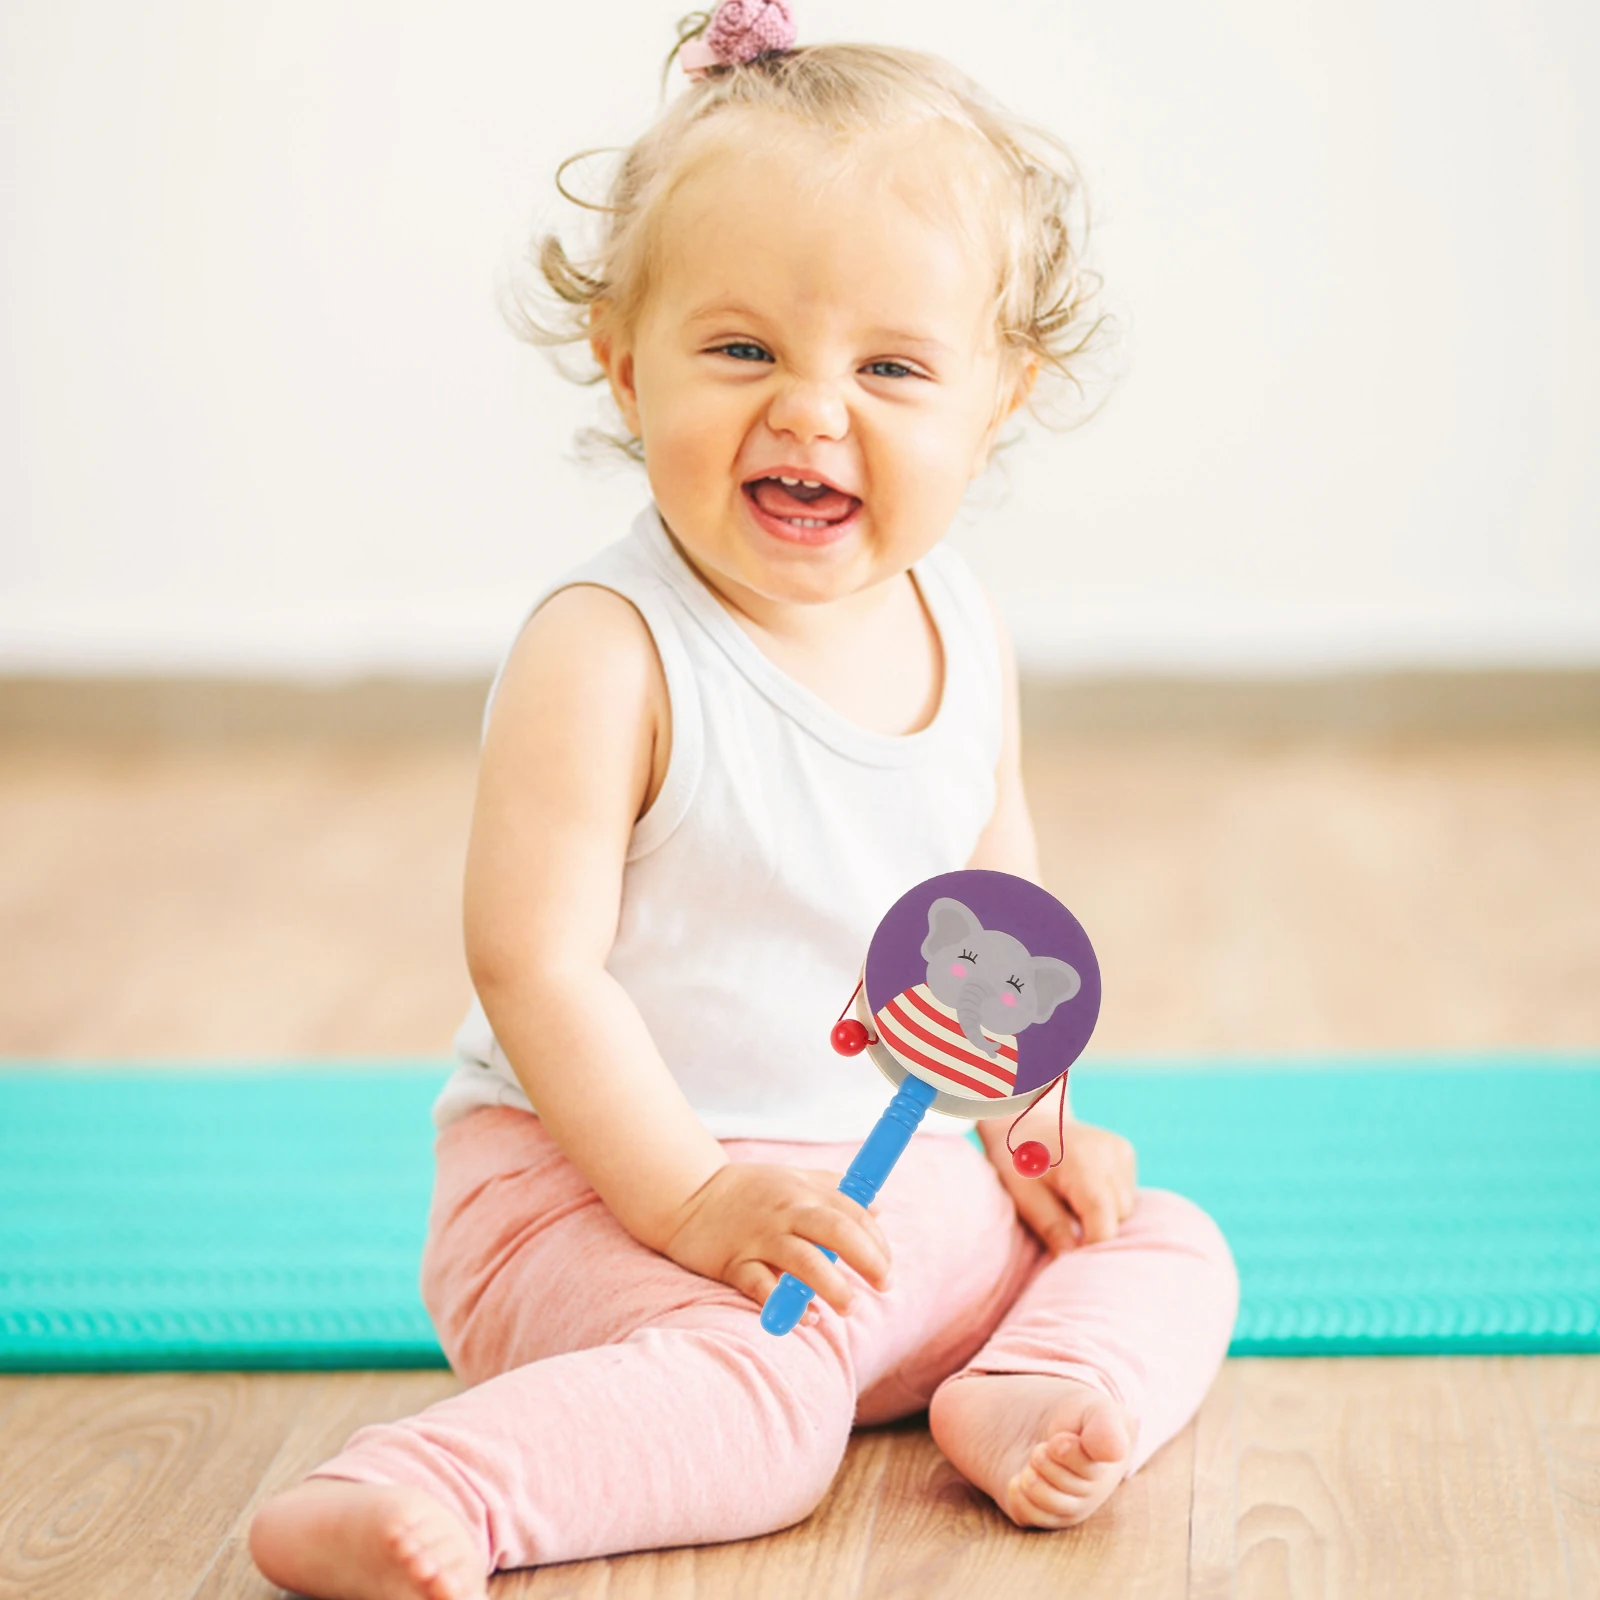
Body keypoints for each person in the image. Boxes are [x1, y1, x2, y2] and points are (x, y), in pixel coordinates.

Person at [250, 6, 1239, 1596]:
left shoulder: (961, 622)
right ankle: (432, 1488)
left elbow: (991, 921)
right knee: (773, 1404)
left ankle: (1034, 1390)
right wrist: (696, 1199)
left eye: (893, 366)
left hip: (874, 1187)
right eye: (741, 350)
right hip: (599, 1189)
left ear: (1002, 395)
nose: (810, 409)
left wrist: (1035, 1134)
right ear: (624, 360)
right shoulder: (612, 650)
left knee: (1168, 1239)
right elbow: (535, 967)